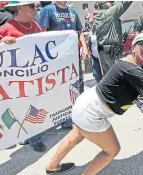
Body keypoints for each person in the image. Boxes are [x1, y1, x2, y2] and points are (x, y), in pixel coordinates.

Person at [45, 33, 143, 175]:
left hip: (86, 104)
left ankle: (52, 166)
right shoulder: (131, 69)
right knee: (112, 150)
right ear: (133, 47)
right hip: (92, 112)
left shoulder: (133, 64)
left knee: (76, 136)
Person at [0, 1, 47, 153]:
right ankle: (7, 138)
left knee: (33, 107)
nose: (36, 9)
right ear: (20, 8)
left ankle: (34, 137)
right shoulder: (7, 28)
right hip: (15, 81)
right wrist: (2, 43)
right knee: (14, 111)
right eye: (32, 6)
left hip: (34, 78)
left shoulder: (36, 26)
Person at [38, 1, 89, 129]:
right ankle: (64, 118)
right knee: (60, 87)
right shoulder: (48, 10)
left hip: (73, 55)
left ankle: (79, 113)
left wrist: (85, 47)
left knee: (78, 84)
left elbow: (79, 31)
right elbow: (42, 33)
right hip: (56, 58)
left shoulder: (73, 12)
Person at [92, 1, 133, 76]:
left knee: (108, 77)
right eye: (111, 2)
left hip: (103, 52)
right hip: (112, 53)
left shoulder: (97, 18)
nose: (113, 3)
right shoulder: (110, 12)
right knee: (117, 76)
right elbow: (125, 3)